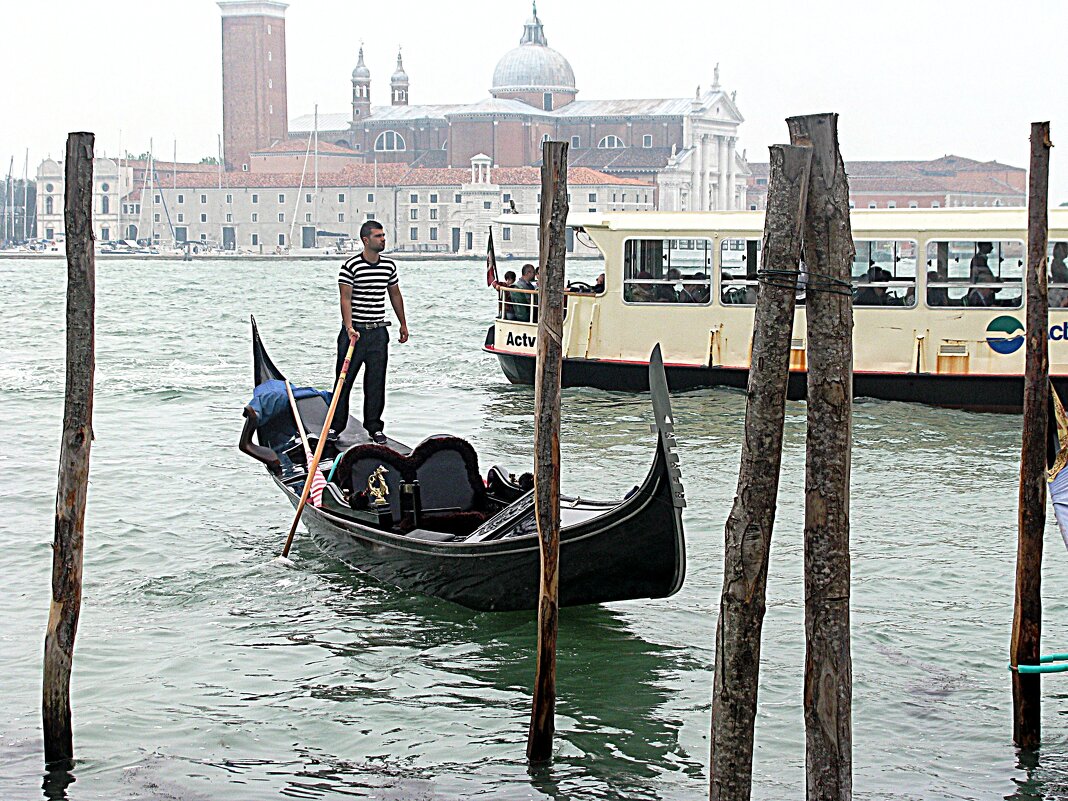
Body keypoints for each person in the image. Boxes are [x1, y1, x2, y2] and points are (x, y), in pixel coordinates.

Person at [334, 220, 409, 445]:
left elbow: (395, 295)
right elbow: (345, 299)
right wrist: (349, 327)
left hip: (378, 333)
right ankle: (336, 426)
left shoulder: (389, 267)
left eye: (383, 235)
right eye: (378, 236)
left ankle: (374, 427)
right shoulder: (350, 267)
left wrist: (403, 324)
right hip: (354, 333)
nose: (383, 239)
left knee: (376, 383)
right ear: (366, 240)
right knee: (343, 381)